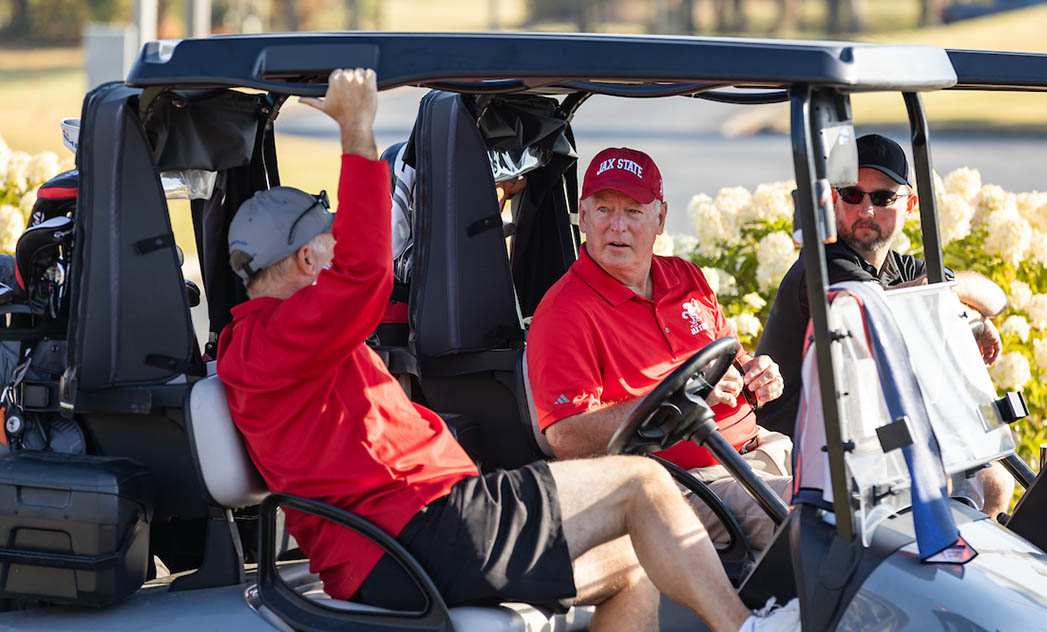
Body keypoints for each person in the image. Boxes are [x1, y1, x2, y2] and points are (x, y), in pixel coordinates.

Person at [217, 69, 796, 632]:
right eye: (330, 241)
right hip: (416, 530)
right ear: (307, 260)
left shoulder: (280, 343)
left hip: (428, 522)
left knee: (633, 563)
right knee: (642, 483)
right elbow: (367, 274)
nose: (340, 249)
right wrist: (357, 136)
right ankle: (748, 628)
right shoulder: (275, 339)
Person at [527, 147, 794, 553]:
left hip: (761, 451)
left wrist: (755, 374)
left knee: (873, 487)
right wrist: (673, 402)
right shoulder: (565, 311)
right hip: (684, 487)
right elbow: (567, 436)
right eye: (603, 209)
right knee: (824, 521)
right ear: (583, 217)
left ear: (661, 219)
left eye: (634, 211)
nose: (617, 226)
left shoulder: (684, 276)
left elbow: (729, 361)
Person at [756, 132, 1013, 518]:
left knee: (994, 480)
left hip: (867, 439)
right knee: (938, 480)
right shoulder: (823, 264)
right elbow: (882, 312)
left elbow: (994, 297)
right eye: (852, 195)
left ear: (908, 204)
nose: (866, 210)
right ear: (834, 200)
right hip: (805, 452)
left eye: (882, 198)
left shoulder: (898, 268)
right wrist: (962, 313)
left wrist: (967, 311)